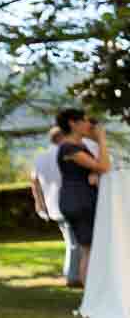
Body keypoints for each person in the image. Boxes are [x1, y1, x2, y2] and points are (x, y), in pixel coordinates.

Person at [56, 108, 111, 287]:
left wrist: (94, 172)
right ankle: (89, 297)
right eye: (86, 121)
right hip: (78, 200)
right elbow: (104, 166)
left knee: (90, 248)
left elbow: (97, 168)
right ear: (73, 123)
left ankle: (93, 293)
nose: (90, 125)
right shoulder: (68, 147)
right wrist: (101, 139)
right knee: (88, 249)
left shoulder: (80, 146)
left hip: (83, 196)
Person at [31, 127, 83, 287]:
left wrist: (39, 203)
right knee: (76, 243)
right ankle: (73, 277)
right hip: (70, 202)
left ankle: (75, 274)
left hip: (53, 205)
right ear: (62, 137)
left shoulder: (40, 158)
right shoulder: (66, 155)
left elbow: (34, 182)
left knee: (72, 241)